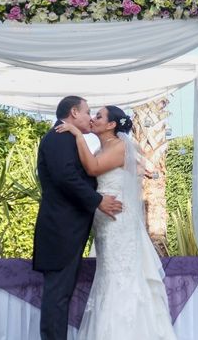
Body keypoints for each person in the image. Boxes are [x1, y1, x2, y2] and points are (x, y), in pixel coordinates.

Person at [56, 105, 178, 340]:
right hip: (104, 223)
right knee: (106, 275)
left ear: (111, 125)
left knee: (118, 276)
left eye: (99, 116)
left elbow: (92, 168)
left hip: (118, 221)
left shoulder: (121, 146)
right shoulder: (103, 147)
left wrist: (77, 134)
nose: (93, 119)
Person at [32, 96, 124, 340]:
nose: (90, 117)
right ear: (74, 112)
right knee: (57, 296)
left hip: (68, 229)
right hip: (60, 230)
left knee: (61, 295)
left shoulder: (70, 138)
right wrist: (98, 200)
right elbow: (66, 178)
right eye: (88, 112)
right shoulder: (59, 137)